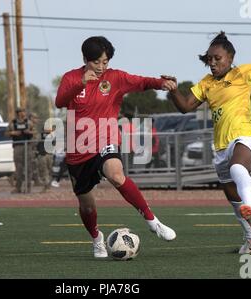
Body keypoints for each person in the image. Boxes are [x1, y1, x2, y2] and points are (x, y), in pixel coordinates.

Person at [55, 36, 177, 258]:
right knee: (87, 206)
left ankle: (153, 222)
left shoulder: (115, 78)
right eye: (96, 62)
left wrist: (161, 83)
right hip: (78, 148)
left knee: (116, 174)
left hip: (106, 139)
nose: (101, 67)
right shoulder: (71, 77)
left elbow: (141, 82)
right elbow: (60, 101)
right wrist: (81, 83)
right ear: (85, 59)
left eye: (105, 62)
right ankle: (96, 239)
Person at [167, 32, 251, 254]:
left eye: (217, 58)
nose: (212, 63)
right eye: (209, 59)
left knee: (238, 168)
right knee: (230, 192)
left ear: (231, 58)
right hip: (221, 147)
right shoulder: (206, 84)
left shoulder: (243, 72)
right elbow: (185, 106)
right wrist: (174, 91)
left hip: (245, 137)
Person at [6, 107, 34, 193]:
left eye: (24, 111)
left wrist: (29, 132)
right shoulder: (12, 123)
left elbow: (35, 132)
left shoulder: (29, 123)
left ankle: (28, 188)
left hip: (27, 146)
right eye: (22, 112)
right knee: (18, 168)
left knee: (28, 167)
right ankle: (18, 187)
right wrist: (13, 133)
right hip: (17, 147)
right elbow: (6, 133)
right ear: (18, 113)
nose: (24, 113)